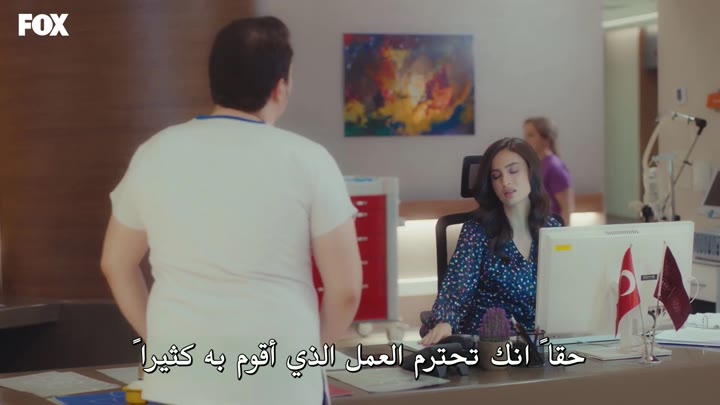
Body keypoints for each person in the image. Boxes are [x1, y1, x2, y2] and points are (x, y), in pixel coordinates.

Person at [100, 16, 362, 405]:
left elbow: (115, 264)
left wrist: (160, 341)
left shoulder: (154, 153)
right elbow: (346, 291)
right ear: (280, 86)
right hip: (280, 384)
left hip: (180, 383)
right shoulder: (308, 160)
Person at [420, 137, 561, 345]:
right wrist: (445, 323)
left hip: (541, 342)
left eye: (513, 171)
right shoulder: (477, 231)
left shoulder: (552, 228)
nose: (505, 182)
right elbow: (457, 289)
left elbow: (567, 289)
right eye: (496, 176)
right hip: (489, 344)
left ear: (531, 173)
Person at [523, 117, 574, 226]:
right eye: (525, 135)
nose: (526, 140)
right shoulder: (535, 164)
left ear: (546, 139)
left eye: (531, 135)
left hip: (551, 228)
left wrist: (563, 234)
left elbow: (566, 208)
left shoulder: (555, 167)